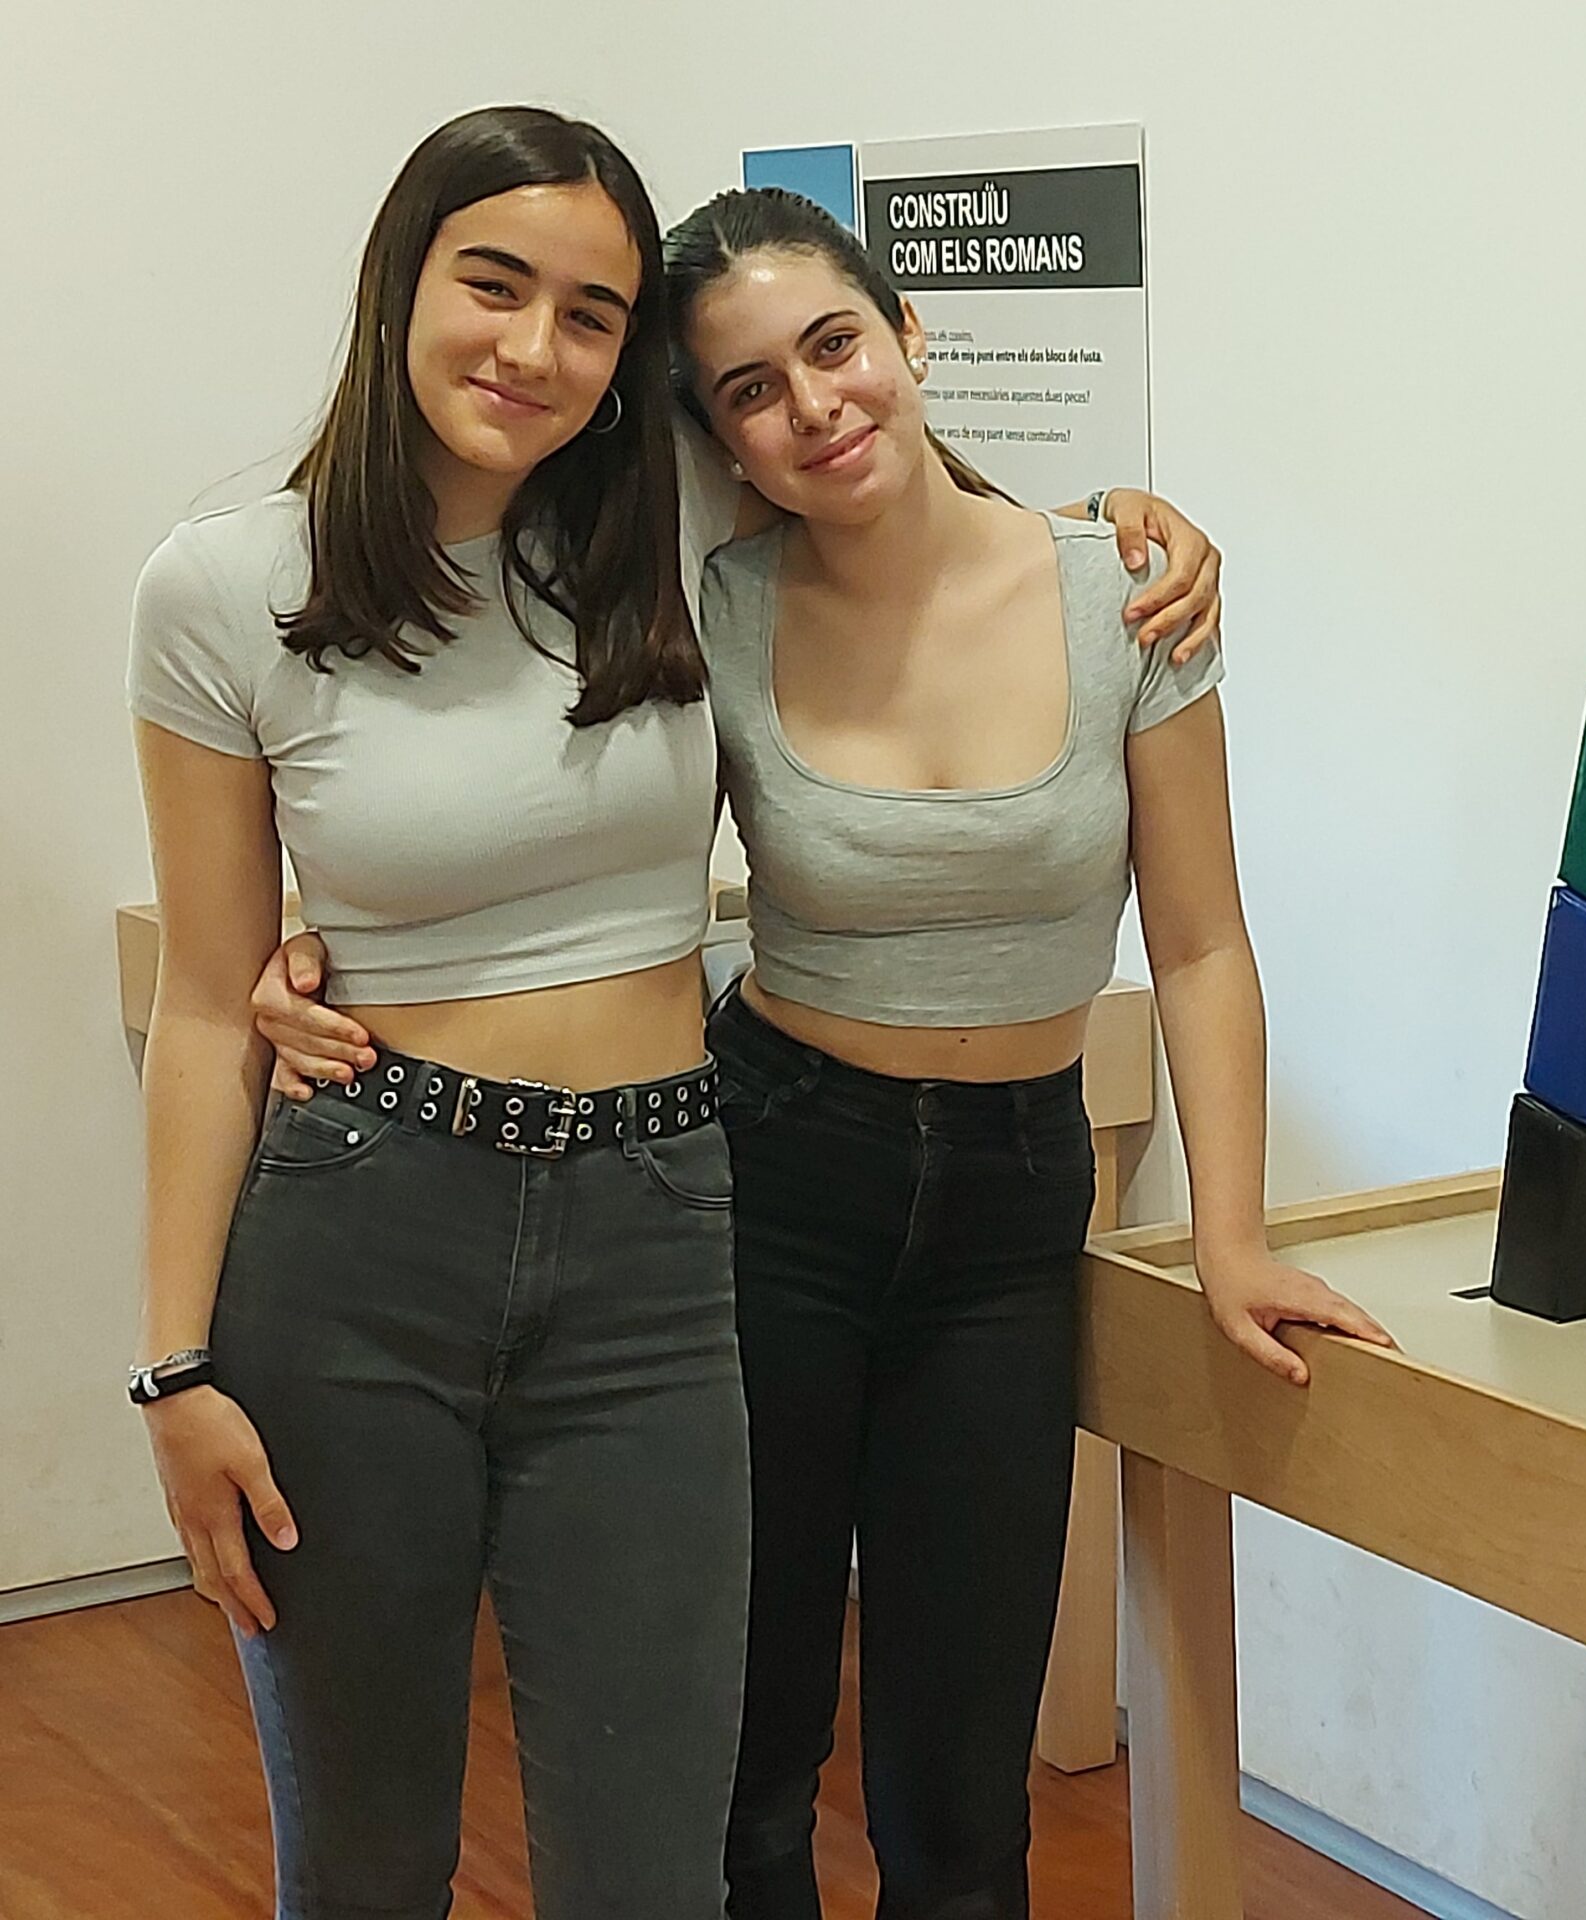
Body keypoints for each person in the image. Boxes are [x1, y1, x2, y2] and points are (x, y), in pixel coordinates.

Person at [129, 108, 1220, 1920]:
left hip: (657, 1235)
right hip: (364, 1230)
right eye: (494, 285)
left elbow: (891, 474)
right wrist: (173, 1365)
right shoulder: (224, 588)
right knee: (370, 1859)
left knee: (658, 1857)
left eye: (591, 315)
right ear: (399, 283)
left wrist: (1129, 517)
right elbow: (197, 1000)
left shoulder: (679, 518)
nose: (534, 348)